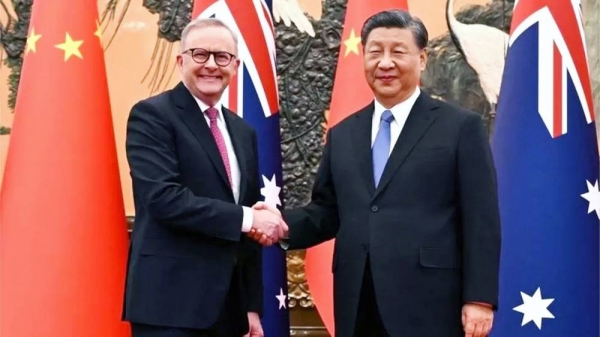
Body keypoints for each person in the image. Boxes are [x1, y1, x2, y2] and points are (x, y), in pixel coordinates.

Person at [253, 9, 501, 337]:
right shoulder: (343, 133)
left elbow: (480, 218)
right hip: (358, 300)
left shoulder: (460, 127)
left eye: (398, 51)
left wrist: (479, 299)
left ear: (422, 59)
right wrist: (281, 224)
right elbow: (327, 212)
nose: (385, 63)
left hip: (431, 302)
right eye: (375, 52)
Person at [122, 17, 288, 337]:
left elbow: (247, 228)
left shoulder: (243, 132)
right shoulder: (152, 116)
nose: (211, 65)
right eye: (200, 54)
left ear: (236, 65)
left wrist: (251, 306)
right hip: (170, 306)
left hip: (229, 311)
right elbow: (163, 200)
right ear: (181, 60)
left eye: (222, 57)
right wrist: (250, 219)